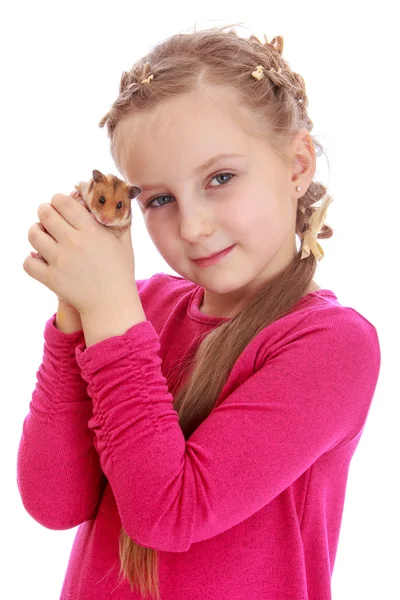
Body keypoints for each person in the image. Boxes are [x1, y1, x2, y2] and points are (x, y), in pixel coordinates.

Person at [17, 24, 381, 600]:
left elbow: (168, 514)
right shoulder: (136, 315)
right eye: (159, 199)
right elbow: (54, 502)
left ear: (297, 165)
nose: (192, 226)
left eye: (220, 178)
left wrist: (109, 313)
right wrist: (75, 315)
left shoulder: (333, 344)